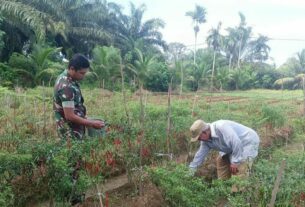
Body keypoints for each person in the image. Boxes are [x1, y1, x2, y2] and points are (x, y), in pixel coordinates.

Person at [53, 54, 104, 140]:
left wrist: (85, 118)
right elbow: (69, 116)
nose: (83, 76)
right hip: (70, 132)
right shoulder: (66, 86)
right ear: (72, 69)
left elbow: (73, 107)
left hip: (74, 128)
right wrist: (91, 123)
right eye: (81, 73)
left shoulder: (69, 79)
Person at [189, 119, 260, 181]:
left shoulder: (221, 127)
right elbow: (199, 156)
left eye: (199, 137)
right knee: (221, 160)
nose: (199, 140)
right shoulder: (205, 141)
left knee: (240, 167)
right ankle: (223, 186)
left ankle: (237, 192)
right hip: (230, 146)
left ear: (205, 132)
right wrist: (189, 172)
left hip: (247, 142)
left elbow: (236, 142)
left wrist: (235, 162)